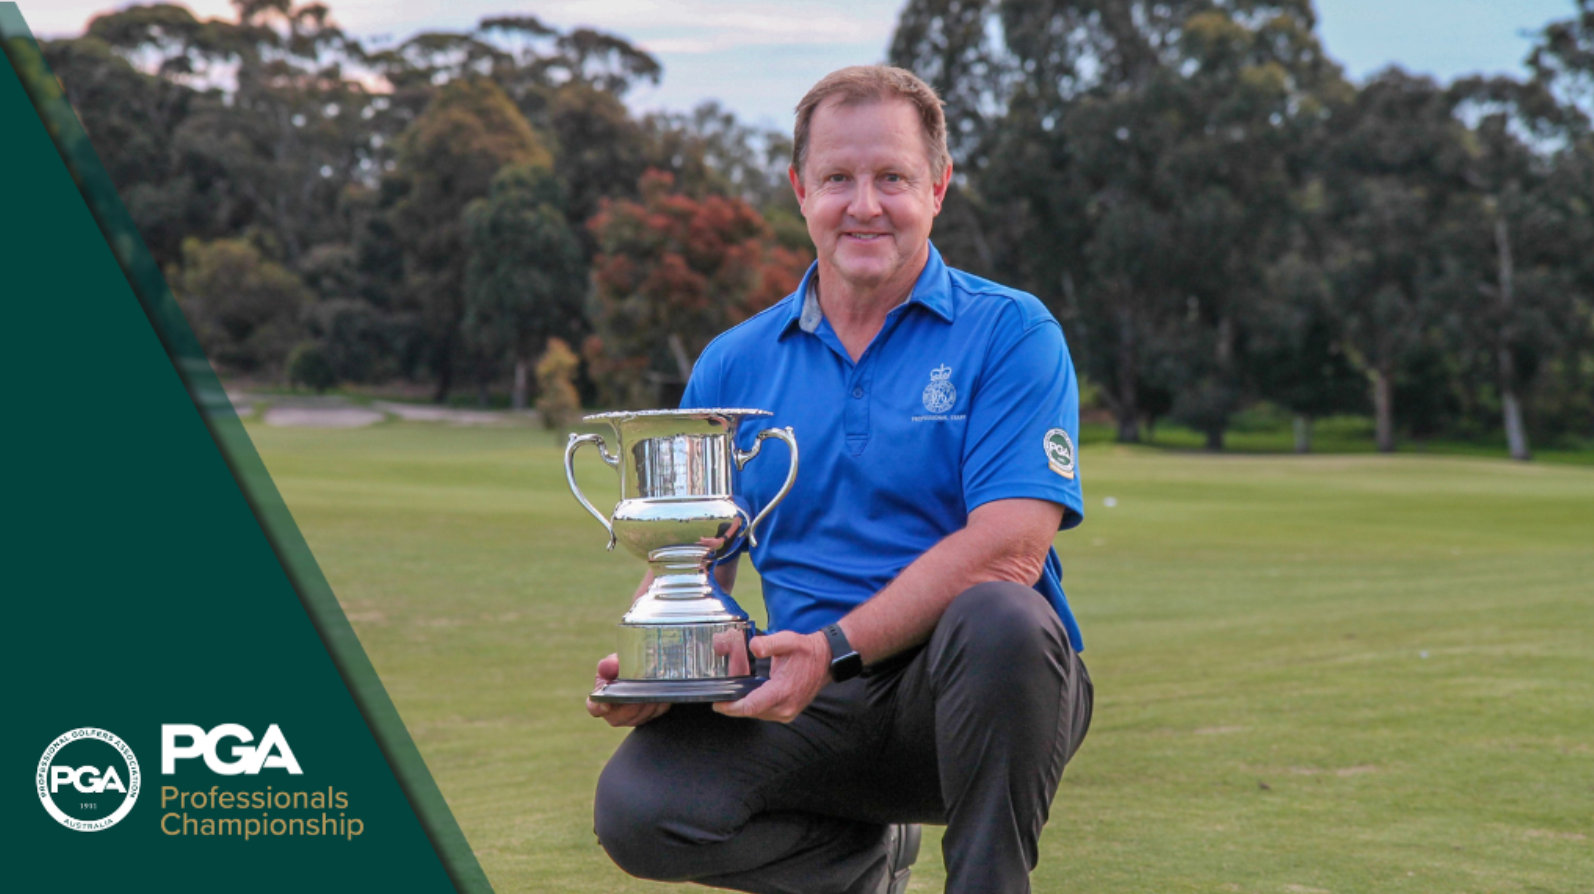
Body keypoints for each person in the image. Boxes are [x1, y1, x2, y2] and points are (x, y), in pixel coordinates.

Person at [587, 65, 1093, 894]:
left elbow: (1011, 549)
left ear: (937, 187)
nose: (864, 205)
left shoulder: (1011, 331)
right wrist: (661, 669)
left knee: (1003, 614)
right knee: (640, 809)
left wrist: (832, 650)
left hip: (970, 698)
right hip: (806, 702)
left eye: (892, 177)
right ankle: (862, 864)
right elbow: (695, 564)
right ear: (800, 191)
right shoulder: (733, 363)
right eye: (837, 179)